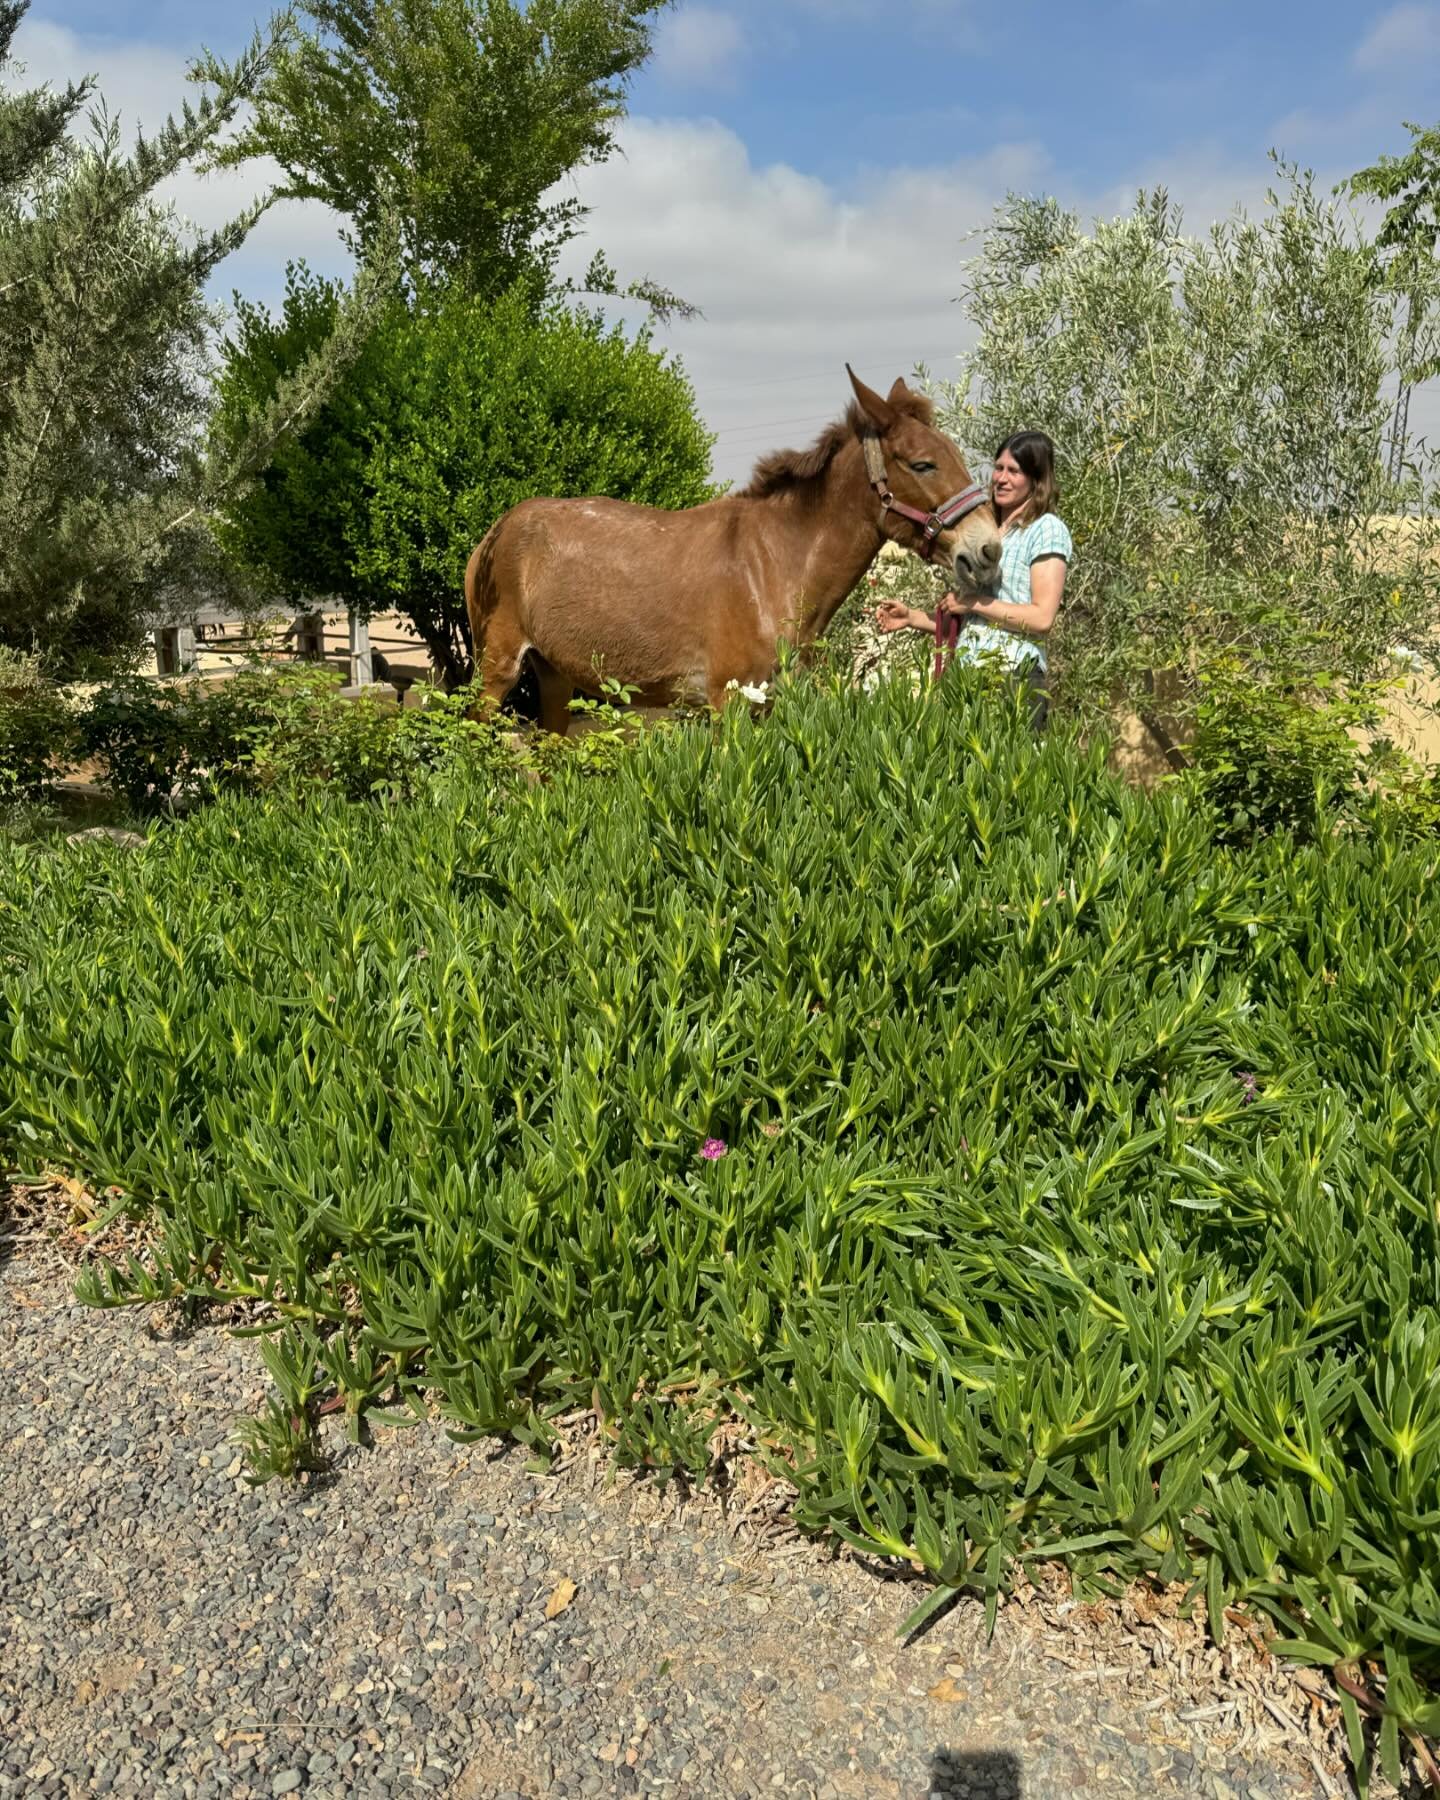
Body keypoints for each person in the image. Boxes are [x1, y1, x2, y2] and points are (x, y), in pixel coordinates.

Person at [874, 430, 1071, 727]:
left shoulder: (1046, 529)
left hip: (1013, 679)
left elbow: (1042, 617)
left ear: (1036, 480)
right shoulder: (988, 528)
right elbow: (970, 618)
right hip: (965, 680)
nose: (1001, 478)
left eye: (1014, 471)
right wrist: (912, 617)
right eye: (999, 467)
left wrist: (975, 603)